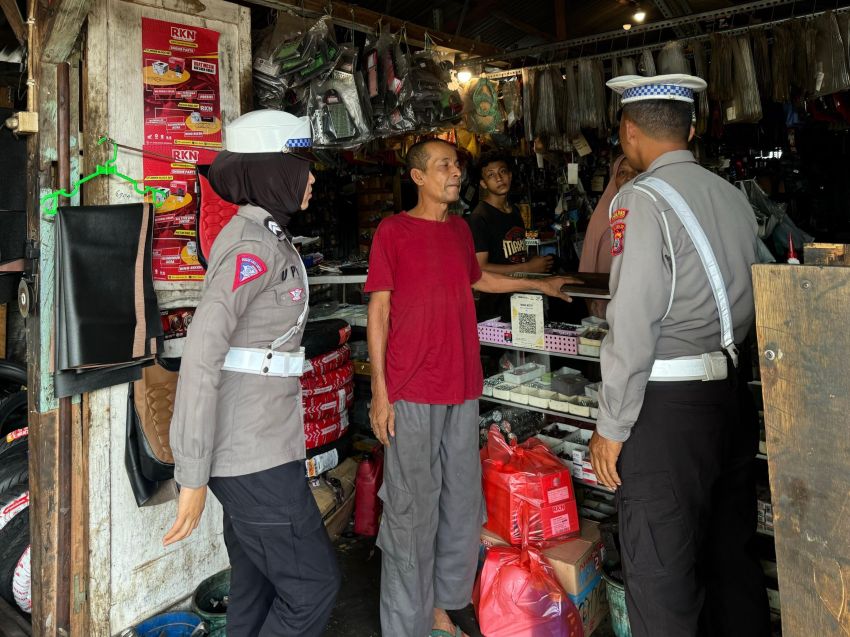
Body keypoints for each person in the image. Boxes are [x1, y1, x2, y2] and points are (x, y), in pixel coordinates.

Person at [366, 138, 578, 637]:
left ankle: (443, 602)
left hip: (461, 384)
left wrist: (539, 284)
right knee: (410, 508)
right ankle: (406, 625)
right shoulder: (393, 230)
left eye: (457, 164)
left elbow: (478, 278)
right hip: (411, 387)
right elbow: (379, 309)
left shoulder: (460, 229)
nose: (456, 171)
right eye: (444, 165)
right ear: (418, 177)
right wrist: (379, 390)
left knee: (461, 502)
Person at [588, 75, 770, 637]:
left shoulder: (639, 200)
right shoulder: (731, 195)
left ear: (628, 131)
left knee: (661, 570)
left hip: (667, 410)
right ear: (692, 130)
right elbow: (765, 283)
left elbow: (634, 319)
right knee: (730, 556)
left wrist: (612, 425)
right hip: (728, 396)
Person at [163, 110, 340, 637]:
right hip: (249, 457)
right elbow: (202, 355)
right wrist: (192, 474)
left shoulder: (270, 236)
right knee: (313, 588)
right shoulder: (249, 246)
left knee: (257, 584)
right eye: (300, 164)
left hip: (263, 445)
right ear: (269, 171)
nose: (312, 177)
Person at [466, 151, 554, 321]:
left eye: (503, 171)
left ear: (510, 175)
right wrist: (528, 268)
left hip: (520, 295)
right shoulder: (479, 217)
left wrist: (534, 260)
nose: (499, 178)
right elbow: (480, 267)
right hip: (495, 304)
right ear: (483, 183)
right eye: (491, 175)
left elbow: (513, 254)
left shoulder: (513, 211)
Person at [578, 154, 639, 317]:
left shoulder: (649, 213)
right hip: (606, 299)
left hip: (640, 299)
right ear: (614, 180)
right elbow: (588, 262)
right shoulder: (602, 215)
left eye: (636, 172)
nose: (629, 178)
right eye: (622, 173)